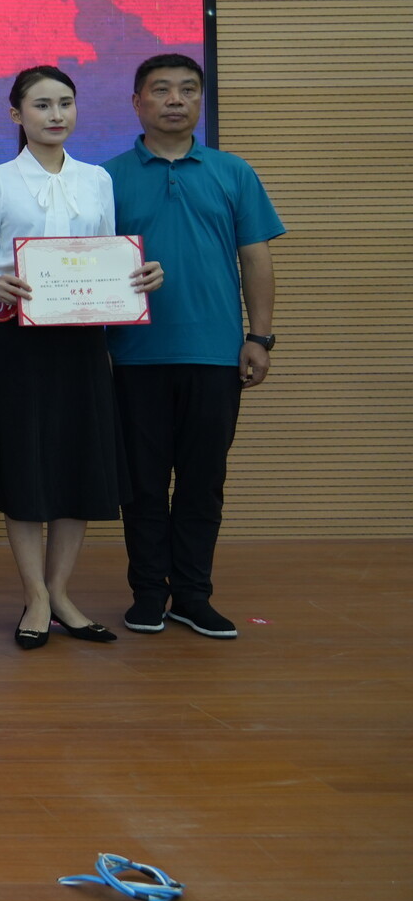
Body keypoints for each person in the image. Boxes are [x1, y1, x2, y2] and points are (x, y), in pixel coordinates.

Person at [0, 65, 163, 649]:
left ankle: (62, 593)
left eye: (65, 103)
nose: (56, 114)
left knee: (79, 465)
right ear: (16, 114)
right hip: (19, 342)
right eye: (42, 104)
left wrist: (140, 276)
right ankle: (36, 598)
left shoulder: (97, 179)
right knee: (26, 467)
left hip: (82, 340)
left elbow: (107, 257)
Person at [104, 54, 283, 638]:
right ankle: (148, 594)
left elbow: (255, 257)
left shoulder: (234, 172)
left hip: (216, 353)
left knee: (203, 482)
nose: (175, 100)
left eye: (187, 89)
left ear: (201, 101)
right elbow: (88, 266)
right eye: (161, 90)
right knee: (144, 485)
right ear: (137, 103)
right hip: (134, 356)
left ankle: (193, 595)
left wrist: (258, 336)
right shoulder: (106, 179)